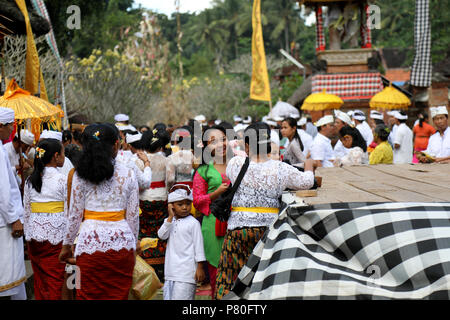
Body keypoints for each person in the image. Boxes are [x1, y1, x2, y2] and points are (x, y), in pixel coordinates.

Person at [215, 122, 315, 299]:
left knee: (229, 280)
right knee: (265, 281)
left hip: (238, 231)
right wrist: (308, 164)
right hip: (268, 233)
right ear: (268, 144)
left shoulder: (235, 164)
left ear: (246, 145)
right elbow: (307, 182)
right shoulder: (280, 168)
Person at [59, 123, 139, 300]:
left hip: (89, 244)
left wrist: (66, 246)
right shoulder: (129, 174)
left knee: (88, 295)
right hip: (122, 245)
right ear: (116, 145)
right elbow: (133, 217)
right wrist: (133, 244)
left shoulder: (79, 175)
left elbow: (74, 216)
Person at [23, 138, 67, 300]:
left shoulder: (30, 180)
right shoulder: (62, 180)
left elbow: (26, 210)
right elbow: (69, 211)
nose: (63, 156)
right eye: (63, 153)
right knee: (55, 280)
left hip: (34, 235)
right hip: (55, 236)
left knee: (40, 280)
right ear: (56, 156)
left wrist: (28, 234)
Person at [192, 125, 232, 298]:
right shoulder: (203, 170)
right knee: (217, 273)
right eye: (213, 141)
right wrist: (216, 193)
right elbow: (197, 200)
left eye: (223, 139)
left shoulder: (239, 164)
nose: (221, 144)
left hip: (238, 222)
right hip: (213, 224)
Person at [158, 185, 206, 300]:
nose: (185, 207)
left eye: (188, 204)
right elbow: (162, 235)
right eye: (180, 204)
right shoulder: (169, 221)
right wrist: (170, 217)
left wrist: (200, 267)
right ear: (171, 206)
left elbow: (199, 247)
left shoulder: (193, 223)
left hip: (187, 273)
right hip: (171, 272)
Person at [135, 129, 169, 279]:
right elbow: (170, 180)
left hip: (145, 199)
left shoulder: (138, 160)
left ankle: (147, 264)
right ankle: (161, 264)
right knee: (160, 232)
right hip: (162, 198)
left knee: (145, 232)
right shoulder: (165, 160)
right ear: (160, 146)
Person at [0, 107, 27, 300]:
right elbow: (3, 190)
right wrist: (14, 218)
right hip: (4, 222)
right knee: (7, 278)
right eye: (10, 126)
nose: (12, 130)